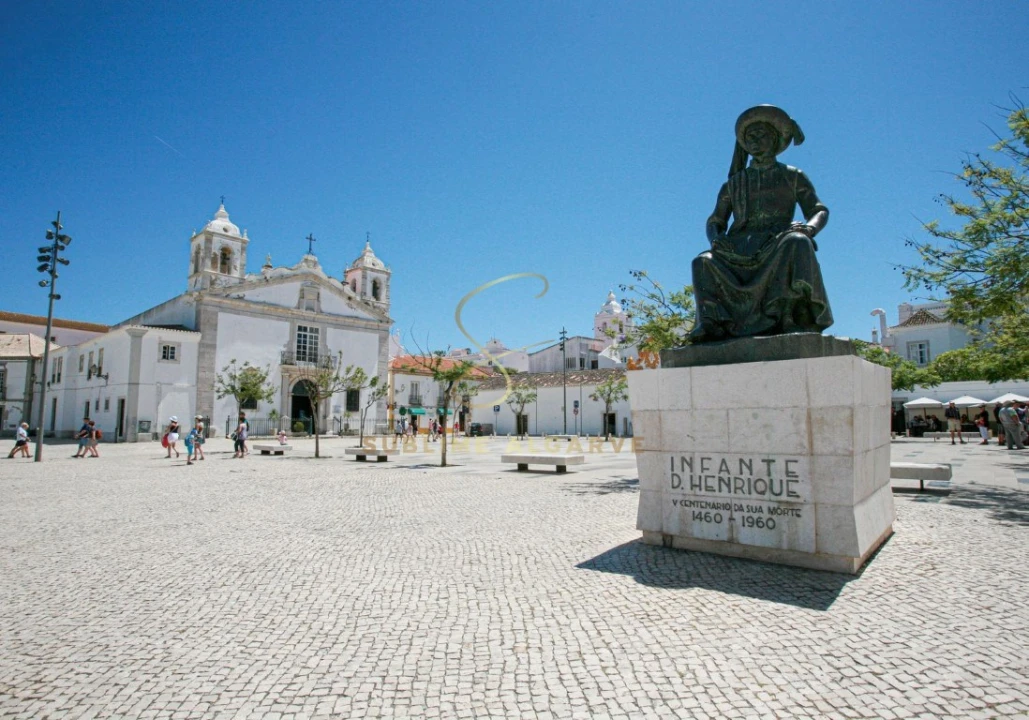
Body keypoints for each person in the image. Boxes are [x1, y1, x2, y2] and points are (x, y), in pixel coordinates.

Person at [690, 105, 833, 342]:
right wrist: (716, 239)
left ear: (776, 138)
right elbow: (716, 220)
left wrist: (809, 228)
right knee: (702, 261)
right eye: (750, 137)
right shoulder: (734, 184)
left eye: (761, 135)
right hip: (738, 248)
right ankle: (711, 322)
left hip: (776, 242)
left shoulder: (793, 175)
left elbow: (819, 210)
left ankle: (788, 315)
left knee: (797, 241)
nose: (755, 141)